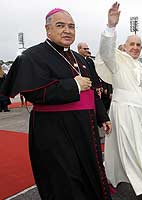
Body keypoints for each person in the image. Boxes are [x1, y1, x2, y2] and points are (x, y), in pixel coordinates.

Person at [0, 8, 112, 199]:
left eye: (71, 26)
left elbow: (92, 90)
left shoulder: (81, 59)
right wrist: (73, 85)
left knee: (90, 175)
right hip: (54, 132)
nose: (67, 31)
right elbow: (34, 92)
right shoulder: (32, 56)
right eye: (60, 26)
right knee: (65, 182)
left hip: (86, 129)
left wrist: (103, 116)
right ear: (48, 29)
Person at [95, 3, 142, 200]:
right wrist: (110, 26)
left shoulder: (141, 66)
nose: (136, 48)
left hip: (140, 114)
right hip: (124, 111)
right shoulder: (117, 60)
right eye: (132, 44)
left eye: (139, 45)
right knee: (134, 150)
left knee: (125, 148)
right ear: (123, 46)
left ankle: (112, 177)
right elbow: (106, 51)